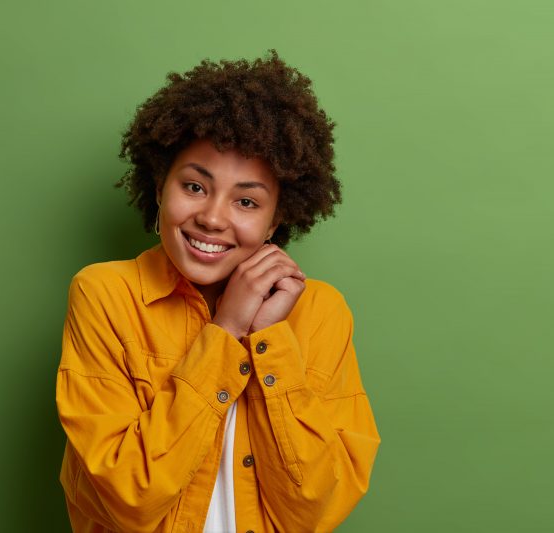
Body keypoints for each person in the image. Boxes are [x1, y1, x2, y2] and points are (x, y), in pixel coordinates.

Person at [56, 50, 381, 533]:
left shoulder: (322, 312)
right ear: (160, 185)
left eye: (246, 201)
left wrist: (268, 338)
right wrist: (226, 331)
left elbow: (316, 507)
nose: (212, 217)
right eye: (194, 187)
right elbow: (130, 497)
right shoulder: (104, 294)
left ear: (276, 220)